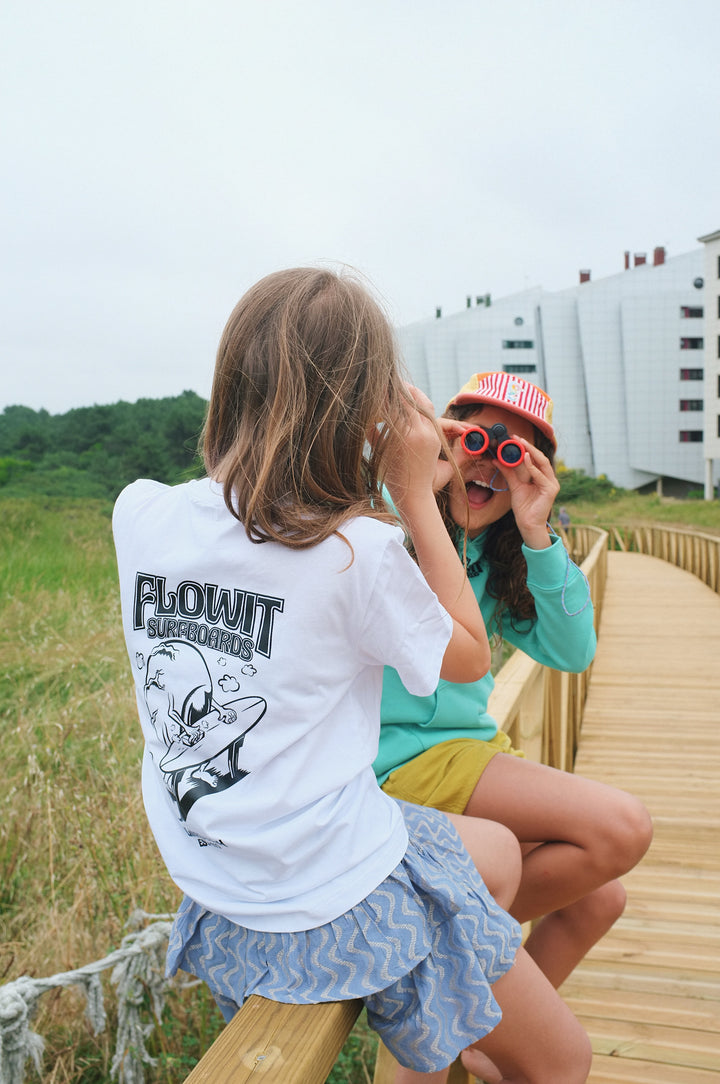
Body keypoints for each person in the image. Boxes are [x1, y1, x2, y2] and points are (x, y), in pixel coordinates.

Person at [113, 272, 591, 1084]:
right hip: (329, 894)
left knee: (496, 855)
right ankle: (435, 1023)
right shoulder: (356, 552)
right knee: (564, 1061)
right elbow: (470, 656)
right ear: (363, 411)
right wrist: (412, 491)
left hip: (216, 880)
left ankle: (435, 1034)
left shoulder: (139, 511)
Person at [375, 370, 652, 1080]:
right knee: (621, 828)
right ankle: (451, 963)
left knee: (599, 899)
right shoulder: (385, 519)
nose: (488, 466)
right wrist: (412, 475)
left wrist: (536, 531)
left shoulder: (499, 557)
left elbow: (573, 651)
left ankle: (473, 1018)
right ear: (442, 439)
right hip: (393, 765)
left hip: (466, 753)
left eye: (512, 457)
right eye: (476, 441)